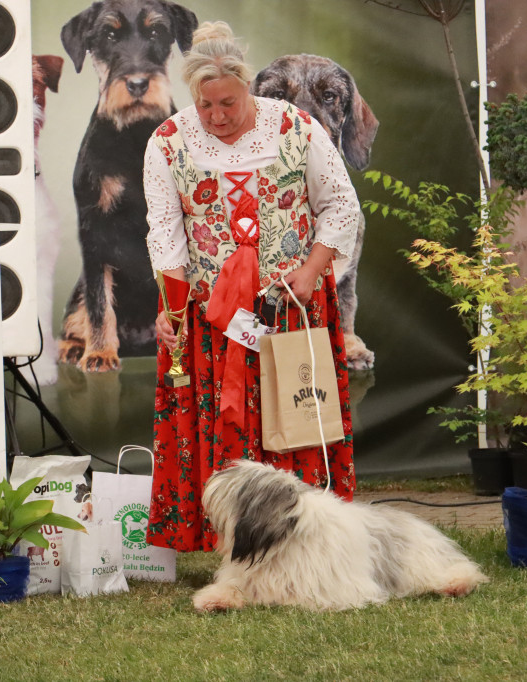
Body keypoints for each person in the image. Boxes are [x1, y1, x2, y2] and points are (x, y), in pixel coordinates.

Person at [142, 21, 360, 552]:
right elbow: (166, 233)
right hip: (212, 316)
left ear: (247, 89)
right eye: (206, 105)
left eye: (229, 103)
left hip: (291, 310)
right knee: (222, 421)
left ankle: (307, 538)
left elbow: (340, 207)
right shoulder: (169, 142)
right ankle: (232, 541)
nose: (217, 117)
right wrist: (170, 310)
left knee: (295, 420)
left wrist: (309, 274)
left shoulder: (295, 127)